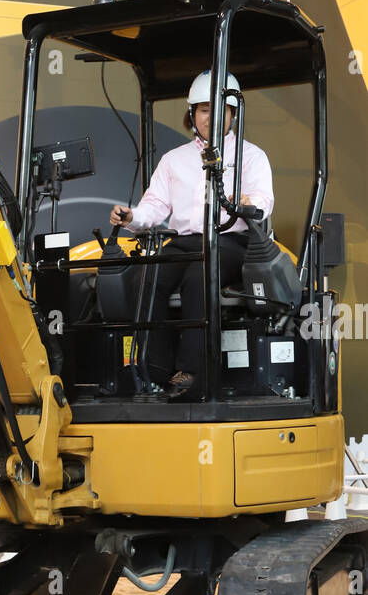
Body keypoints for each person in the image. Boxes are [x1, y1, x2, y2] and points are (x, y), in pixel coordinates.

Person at [110, 71, 274, 397]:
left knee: (200, 275)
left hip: (232, 240)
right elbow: (154, 206)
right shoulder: (174, 160)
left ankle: (192, 372)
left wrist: (248, 202)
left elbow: (263, 200)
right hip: (185, 240)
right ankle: (151, 368)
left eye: (219, 109)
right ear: (192, 114)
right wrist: (132, 216)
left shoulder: (251, 156)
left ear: (233, 114)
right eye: (203, 109)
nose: (210, 117)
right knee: (148, 274)